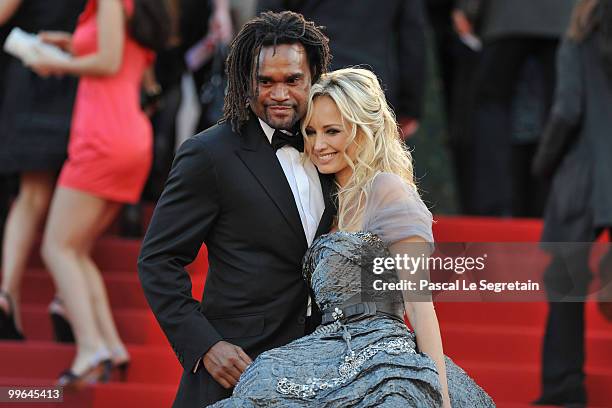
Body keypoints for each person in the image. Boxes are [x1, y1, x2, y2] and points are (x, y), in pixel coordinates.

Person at [210, 68, 494, 407]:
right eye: (311, 132)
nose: (318, 145)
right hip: (326, 349)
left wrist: (440, 398)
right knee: (260, 385)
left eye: (332, 131)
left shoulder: (388, 190)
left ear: (363, 131)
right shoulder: (328, 200)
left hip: (384, 355)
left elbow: (420, 306)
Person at [138, 11, 334, 407]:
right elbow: (158, 260)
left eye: (293, 80)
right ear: (247, 81)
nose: (280, 94)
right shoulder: (209, 154)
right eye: (266, 81)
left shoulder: (331, 148)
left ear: (313, 76)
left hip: (319, 370)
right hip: (237, 368)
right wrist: (206, 345)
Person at [27, 0, 169, 388]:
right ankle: (108, 345)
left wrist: (56, 63)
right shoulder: (127, 7)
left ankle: (90, 348)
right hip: (127, 134)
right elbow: (125, 63)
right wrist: (70, 44)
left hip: (102, 137)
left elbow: (107, 62)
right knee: (75, 248)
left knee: (57, 247)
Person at [532, 0, 612, 405]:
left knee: (566, 285)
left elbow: (567, 111)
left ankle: (565, 389)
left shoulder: (579, 38)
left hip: (583, 174)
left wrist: (543, 163)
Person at [0, 0, 85, 341]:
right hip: (76, 74)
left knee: (31, 194)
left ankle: (7, 293)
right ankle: (64, 299)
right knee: (78, 188)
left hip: (33, 70)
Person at [257, 0, 426, 139]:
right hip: (370, 90)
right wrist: (410, 107)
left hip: (313, 85)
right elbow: (413, 35)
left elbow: (267, 26)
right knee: (371, 172)